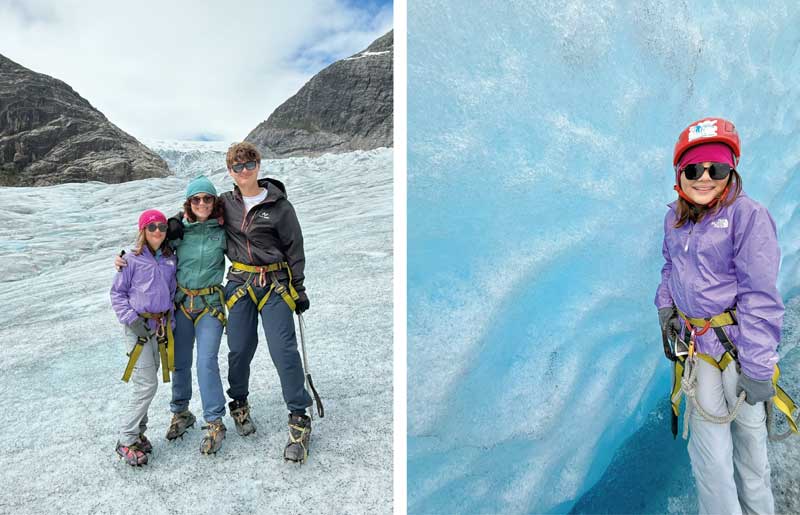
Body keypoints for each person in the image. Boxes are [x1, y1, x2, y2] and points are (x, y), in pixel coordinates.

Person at [655, 117, 783, 514]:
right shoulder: (675, 218)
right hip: (699, 351)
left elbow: (760, 296)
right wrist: (666, 305)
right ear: (680, 175)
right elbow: (669, 266)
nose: (705, 178)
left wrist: (758, 368)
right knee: (710, 461)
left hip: (739, 349)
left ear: (732, 171)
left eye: (717, 168)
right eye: (694, 170)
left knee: (750, 454)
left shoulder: (748, 216)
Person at [116, 177, 229, 455]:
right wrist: (122, 260)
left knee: (206, 361)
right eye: (196, 199)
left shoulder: (223, 230)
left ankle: (214, 421)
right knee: (179, 362)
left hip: (210, 305)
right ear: (188, 203)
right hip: (181, 306)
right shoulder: (178, 233)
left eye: (207, 198)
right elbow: (150, 248)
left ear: (214, 201)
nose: (202, 203)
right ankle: (181, 412)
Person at [220, 142, 313, 462]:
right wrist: (174, 226)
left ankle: (299, 416)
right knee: (239, 348)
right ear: (230, 171)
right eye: (237, 166)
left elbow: (294, 248)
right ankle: (239, 403)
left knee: (283, 350)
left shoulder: (280, 206)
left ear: (258, 165)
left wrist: (298, 288)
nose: (244, 171)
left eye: (249, 164)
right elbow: (195, 216)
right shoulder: (224, 204)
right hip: (240, 284)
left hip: (275, 285)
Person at [110, 209, 177, 466]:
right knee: (146, 384)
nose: (158, 231)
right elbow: (117, 294)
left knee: (148, 381)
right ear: (143, 231)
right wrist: (131, 320)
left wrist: (169, 322)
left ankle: (138, 432)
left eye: (162, 227)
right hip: (137, 328)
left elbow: (171, 292)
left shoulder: (170, 259)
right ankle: (126, 439)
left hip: (158, 327)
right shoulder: (130, 260)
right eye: (152, 227)